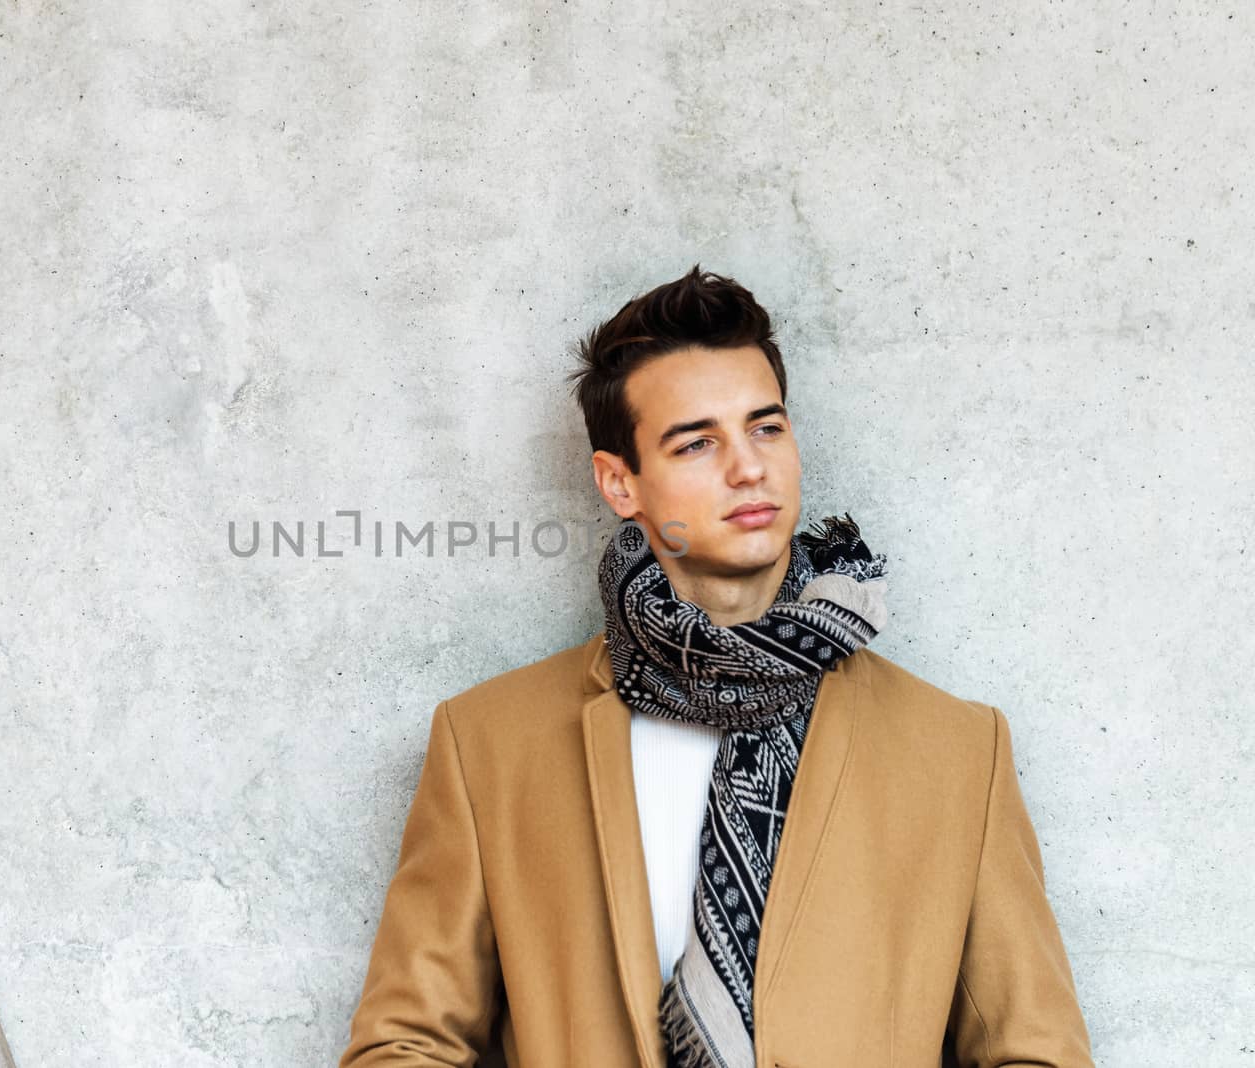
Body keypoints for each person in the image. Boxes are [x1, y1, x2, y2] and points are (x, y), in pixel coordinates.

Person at [337, 266, 1094, 1068]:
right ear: (619, 482)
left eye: (766, 428)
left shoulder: (956, 750)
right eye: (697, 442)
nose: (747, 468)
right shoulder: (489, 743)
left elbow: (1035, 1050)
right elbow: (404, 1044)